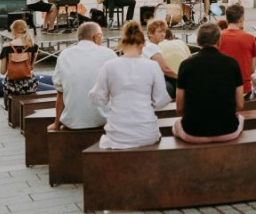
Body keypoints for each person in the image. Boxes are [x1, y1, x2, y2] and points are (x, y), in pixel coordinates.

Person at [89, 20, 172, 149]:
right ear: (142, 44)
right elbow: (161, 100)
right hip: (147, 132)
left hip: (118, 134)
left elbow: (98, 98)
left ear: (123, 43)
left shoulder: (109, 66)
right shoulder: (152, 66)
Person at [174, 22, 245, 143]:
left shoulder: (186, 65)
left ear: (197, 41)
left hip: (193, 133)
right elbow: (240, 105)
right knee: (241, 118)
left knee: (176, 124)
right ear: (219, 41)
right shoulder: (232, 63)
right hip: (228, 130)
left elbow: (179, 108)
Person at [49, 22, 115, 132]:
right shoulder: (109, 54)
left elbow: (60, 92)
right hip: (103, 120)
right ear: (95, 37)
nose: (102, 39)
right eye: (101, 36)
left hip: (73, 122)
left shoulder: (65, 55)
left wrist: (56, 124)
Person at [0, 19, 54, 107]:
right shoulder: (33, 46)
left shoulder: (6, 47)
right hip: (29, 85)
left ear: (14, 31)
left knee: (7, 89)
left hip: (11, 87)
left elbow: (2, 71)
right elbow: (31, 67)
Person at [218, 3, 256, 99]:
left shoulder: (217, 37)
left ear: (227, 19)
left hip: (222, 89)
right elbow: (252, 69)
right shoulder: (250, 38)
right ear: (240, 19)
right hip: (244, 91)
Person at [143, 19, 179, 99]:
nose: (163, 35)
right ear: (150, 34)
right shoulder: (151, 47)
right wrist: (179, 77)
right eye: (159, 32)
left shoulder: (148, 45)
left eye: (164, 32)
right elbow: (165, 69)